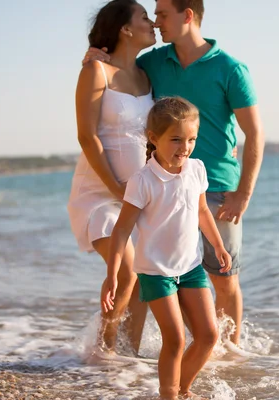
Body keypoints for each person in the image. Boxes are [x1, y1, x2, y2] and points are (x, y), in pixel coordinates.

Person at [85, 0, 265, 345]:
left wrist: (243, 193)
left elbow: (254, 134)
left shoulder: (231, 69)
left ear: (188, 15)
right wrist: (96, 53)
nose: (156, 22)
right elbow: (117, 69)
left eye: (163, 14)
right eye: (152, 14)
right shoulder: (153, 62)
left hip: (217, 188)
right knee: (157, 271)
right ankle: (134, 355)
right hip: (161, 185)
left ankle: (229, 353)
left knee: (224, 276)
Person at [102, 97, 231, 400]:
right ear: (153, 139)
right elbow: (121, 229)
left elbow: (201, 212)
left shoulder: (196, 169)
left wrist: (218, 244)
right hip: (155, 271)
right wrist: (113, 274)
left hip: (190, 267)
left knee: (209, 335)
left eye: (191, 139)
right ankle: (167, 395)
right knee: (173, 339)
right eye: (176, 139)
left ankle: (182, 390)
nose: (184, 147)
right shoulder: (142, 181)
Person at [67, 0, 157, 356]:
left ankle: (128, 357)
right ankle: (104, 353)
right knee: (128, 272)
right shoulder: (95, 71)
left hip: (137, 195)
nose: (152, 23)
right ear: (124, 28)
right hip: (99, 192)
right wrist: (115, 187)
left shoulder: (148, 75)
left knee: (143, 280)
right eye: (145, 17)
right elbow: (86, 136)